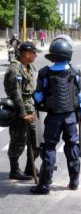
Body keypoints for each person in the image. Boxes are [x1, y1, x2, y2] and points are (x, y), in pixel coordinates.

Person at [30, 35, 81, 194]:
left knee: (49, 149)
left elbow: (39, 96)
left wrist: (34, 98)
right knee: (72, 148)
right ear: (68, 54)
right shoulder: (75, 71)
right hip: (70, 118)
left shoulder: (45, 73)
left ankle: (44, 186)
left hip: (53, 118)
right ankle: (74, 182)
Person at [3, 42, 41, 180]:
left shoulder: (27, 66)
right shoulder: (15, 69)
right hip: (20, 110)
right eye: (34, 53)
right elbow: (16, 93)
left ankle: (30, 168)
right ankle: (14, 170)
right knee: (18, 141)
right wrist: (23, 114)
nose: (36, 56)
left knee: (36, 141)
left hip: (31, 108)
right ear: (26, 54)